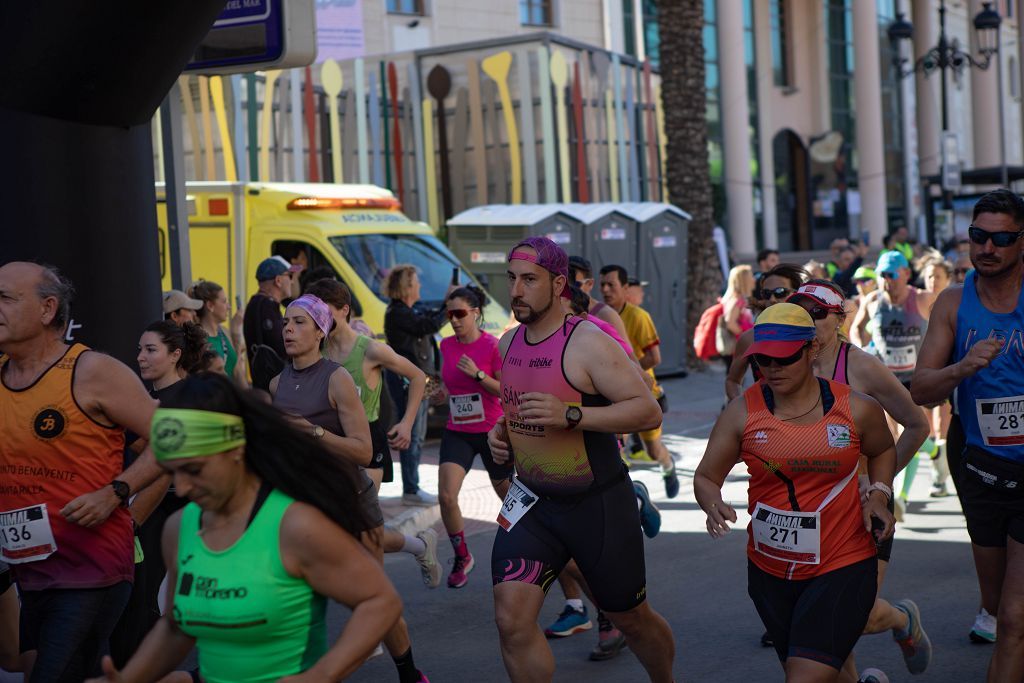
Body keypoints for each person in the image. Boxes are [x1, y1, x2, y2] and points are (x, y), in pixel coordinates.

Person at [86, 373, 403, 683]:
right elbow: (177, 627)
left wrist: (322, 674)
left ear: (234, 449)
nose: (181, 488)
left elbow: (380, 602)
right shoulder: (179, 528)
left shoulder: (294, 525)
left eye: (194, 470)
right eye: (173, 471)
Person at [488, 237, 675, 683]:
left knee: (630, 618)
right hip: (531, 504)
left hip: (596, 505)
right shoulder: (507, 344)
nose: (516, 290)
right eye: (511, 279)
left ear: (558, 284)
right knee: (511, 621)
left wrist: (572, 415)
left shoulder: (588, 343)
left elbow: (648, 409)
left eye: (529, 280)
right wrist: (503, 433)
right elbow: (518, 410)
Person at [695, 303, 898, 683]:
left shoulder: (855, 408)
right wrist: (712, 502)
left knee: (803, 677)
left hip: (843, 562)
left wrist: (879, 494)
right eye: (763, 361)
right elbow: (707, 476)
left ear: (811, 350)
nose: (771, 369)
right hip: (770, 571)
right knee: (818, 671)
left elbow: (883, 448)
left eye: (783, 359)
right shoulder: (742, 413)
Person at [0, 262, 164, 681]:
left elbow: (176, 438)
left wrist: (116, 492)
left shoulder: (92, 372)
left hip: (89, 569)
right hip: (28, 569)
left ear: (47, 309)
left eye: (5, 298)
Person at [270, 294, 430, 683]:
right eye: (286, 321)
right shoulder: (276, 381)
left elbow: (363, 450)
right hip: (303, 503)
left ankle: (409, 672)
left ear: (321, 330)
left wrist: (312, 431)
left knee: (370, 595)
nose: (288, 328)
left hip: (349, 499)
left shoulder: (337, 378)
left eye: (300, 322)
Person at [787, 281, 932, 679]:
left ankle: (901, 619)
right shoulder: (785, 363)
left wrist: (879, 488)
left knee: (858, 617)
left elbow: (918, 425)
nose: (809, 321)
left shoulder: (861, 366)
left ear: (840, 318)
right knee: (824, 635)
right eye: (801, 312)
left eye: (818, 313)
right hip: (809, 517)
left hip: (860, 515)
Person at [912, 189, 1024, 680]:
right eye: (979, 236)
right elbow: (921, 389)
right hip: (978, 462)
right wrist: (962, 367)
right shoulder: (953, 303)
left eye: (1002, 238)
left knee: (1015, 619)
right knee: (999, 608)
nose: (988, 248)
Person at [304, 279, 441, 590]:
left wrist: (406, 423)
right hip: (331, 447)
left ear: (344, 310)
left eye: (325, 314)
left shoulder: (370, 350)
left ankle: (375, 610)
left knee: (362, 531)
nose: (319, 322)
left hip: (368, 446)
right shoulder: (317, 350)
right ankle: (419, 546)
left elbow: (419, 377)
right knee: (361, 532)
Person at [109, 320, 216, 665]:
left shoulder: (192, 397)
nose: (140, 357)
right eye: (139, 349)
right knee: (140, 604)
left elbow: (175, 460)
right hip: (149, 510)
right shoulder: (142, 401)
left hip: (184, 510)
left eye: (150, 350)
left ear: (175, 355)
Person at [436, 285, 512, 588]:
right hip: (458, 430)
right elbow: (448, 387)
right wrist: (439, 394)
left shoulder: (492, 346)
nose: (453, 320)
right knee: (446, 495)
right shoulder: (445, 346)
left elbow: (506, 392)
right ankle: (462, 555)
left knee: (509, 501)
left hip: (492, 431)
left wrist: (479, 376)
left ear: (476, 313)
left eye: (460, 313)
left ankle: (525, 549)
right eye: (449, 314)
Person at [852, 250, 936, 518]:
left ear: (906, 274)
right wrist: (863, 348)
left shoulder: (922, 299)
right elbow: (856, 327)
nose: (886, 280)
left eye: (892, 274)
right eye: (881, 275)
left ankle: (901, 495)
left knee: (909, 430)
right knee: (897, 436)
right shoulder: (873, 301)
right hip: (886, 379)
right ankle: (935, 451)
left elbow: (945, 326)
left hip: (916, 377)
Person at [599, 264, 680, 499]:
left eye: (611, 285)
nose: (605, 289)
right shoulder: (594, 315)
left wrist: (627, 373)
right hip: (614, 395)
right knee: (614, 448)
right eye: (602, 284)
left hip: (646, 392)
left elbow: (655, 357)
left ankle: (668, 466)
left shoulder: (639, 317)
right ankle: (623, 495)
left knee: (653, 450)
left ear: (625, 288)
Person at [383, 265, 445, 506]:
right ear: (407, 287)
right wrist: (448, 310)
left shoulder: (409, 310)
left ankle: (412, 486)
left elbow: (427, 323)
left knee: (418, 434)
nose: (419, 285)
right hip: (406, 380)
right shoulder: (398, 312)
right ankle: (411, 489)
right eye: (416, 282)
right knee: (412, 433)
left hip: (420, 379)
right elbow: (425, 327)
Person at [725, 263, 809, 402]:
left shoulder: (813, 333)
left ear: (797, 294)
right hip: (766, 419)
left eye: (780, 292)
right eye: (766, 294)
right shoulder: (750, 338)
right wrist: (744, 408)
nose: (772, 299)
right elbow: (733, 381)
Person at [243, 256, 301, 391]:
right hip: (272, 390)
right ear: (278, 280)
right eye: (290, 276)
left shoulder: (259, 304)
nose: (292, 282)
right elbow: (283, 348)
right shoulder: (266, 306)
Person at [189, 279, 247, 386]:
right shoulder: (198, 338)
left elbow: (236, 369)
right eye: (224, 301)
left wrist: (235, 331)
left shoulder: (224, 331)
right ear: (210, 306)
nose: (229, 307)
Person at [567, 255, 630, 343]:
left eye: (575, 284)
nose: (569, 289)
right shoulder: (561, 311)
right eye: (565, 285)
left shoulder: (606, 315)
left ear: (590, 284)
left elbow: (628, 356)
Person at [718, 265, 755, 369]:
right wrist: (745, 338)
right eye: (751, 277)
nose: (753, 280)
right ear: (744, 280)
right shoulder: (738, 301)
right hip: (736, 347)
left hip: (737, 347)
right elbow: (731, 324)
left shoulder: (737, 299)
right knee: (736, 377)